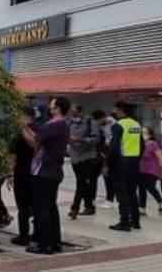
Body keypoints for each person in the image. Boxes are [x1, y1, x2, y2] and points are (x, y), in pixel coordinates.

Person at [20, 96, 70, 255]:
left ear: (58, 108)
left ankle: (45, 244)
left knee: (43, 209)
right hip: (51, 170)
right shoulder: (59, 125)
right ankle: (54, 242)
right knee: (50, 207)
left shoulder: (55, 125)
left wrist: (23, 128)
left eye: (52, 104)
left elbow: (35, 141)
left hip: (44, 171)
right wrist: (26, 127)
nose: (49, 106)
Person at [108, 100, 144, 231]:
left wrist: (109, 164)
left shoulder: (119, 125)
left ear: (121, 110)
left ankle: (124, 222)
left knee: (122, 193)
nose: (114, 112)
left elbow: (113, 147)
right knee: (132, 192)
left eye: (115, 109)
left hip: (121, 163)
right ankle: (136, 221)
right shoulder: (136, 125)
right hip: (134, 162)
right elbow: (142, 145)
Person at [7, 104, 36, 245]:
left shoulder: (24, 131)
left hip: (25, 172)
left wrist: (10, 174)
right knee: (29, 205)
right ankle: (29, 233)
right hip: (31, 171)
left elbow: (13, 155)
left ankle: (25, 236)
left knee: (24, 206)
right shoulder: (35, 129)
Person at [67, 105, 102, 219]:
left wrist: (81, 140)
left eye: (74, 111)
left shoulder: (90, 122)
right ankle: (86, 205)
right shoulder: (69, 122)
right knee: (81, 182)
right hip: (75, 156)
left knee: (83, 182)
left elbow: (96, 139)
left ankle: (76, 207)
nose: (73, 113)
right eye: (71, 111)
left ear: (80, 111)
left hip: (88, 157)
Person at [138, 127, 162, 215]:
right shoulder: (140, 144)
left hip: (152, 170)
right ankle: (142, 208)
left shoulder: (153, 144)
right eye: (142, 133)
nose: (144, 135)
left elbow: (160, 157)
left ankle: (160, 202)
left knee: (150, 187)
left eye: (146, 133)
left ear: (150, 135)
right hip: (141, 169)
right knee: (141, 188)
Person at [92, 110, 115, 203]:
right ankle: (91, 197)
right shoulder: (96, 126)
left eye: (99, 120)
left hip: (108, 152)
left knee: (107, 176)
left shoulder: (112, 124)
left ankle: (110, 199)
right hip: (99, 153)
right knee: (93, 177)